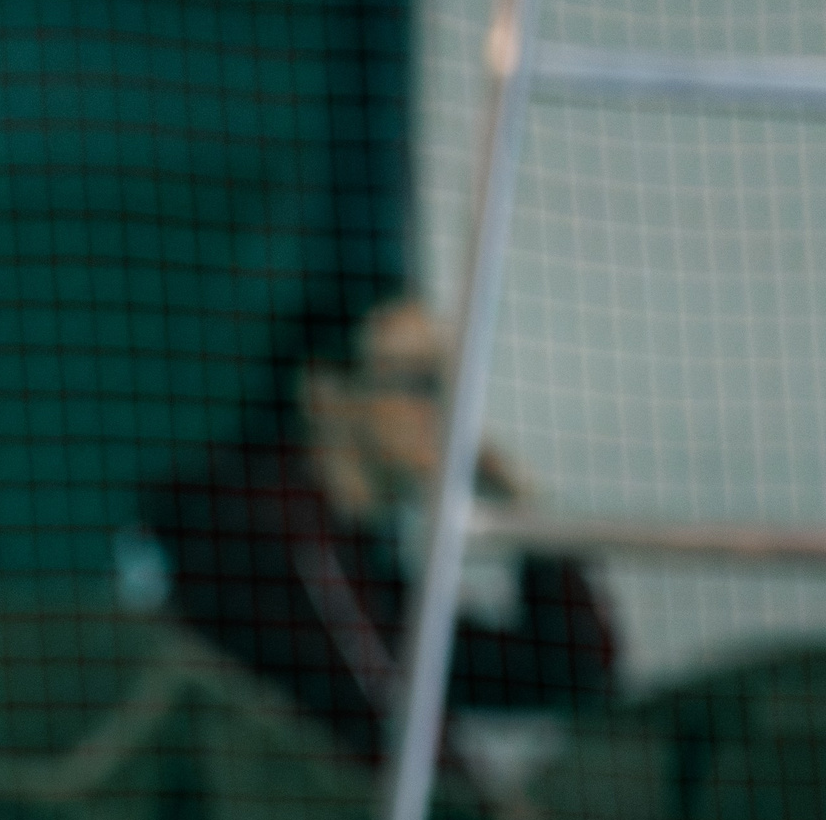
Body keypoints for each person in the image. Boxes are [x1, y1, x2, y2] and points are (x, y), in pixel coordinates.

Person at [141, 298, 617, 759]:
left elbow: (574, 672)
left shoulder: (364, 567)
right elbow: (388, 733)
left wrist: (521, 507)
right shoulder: (266, 530)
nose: (449, 417)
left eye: (454, 389)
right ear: (325, 394)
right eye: (422, 384)